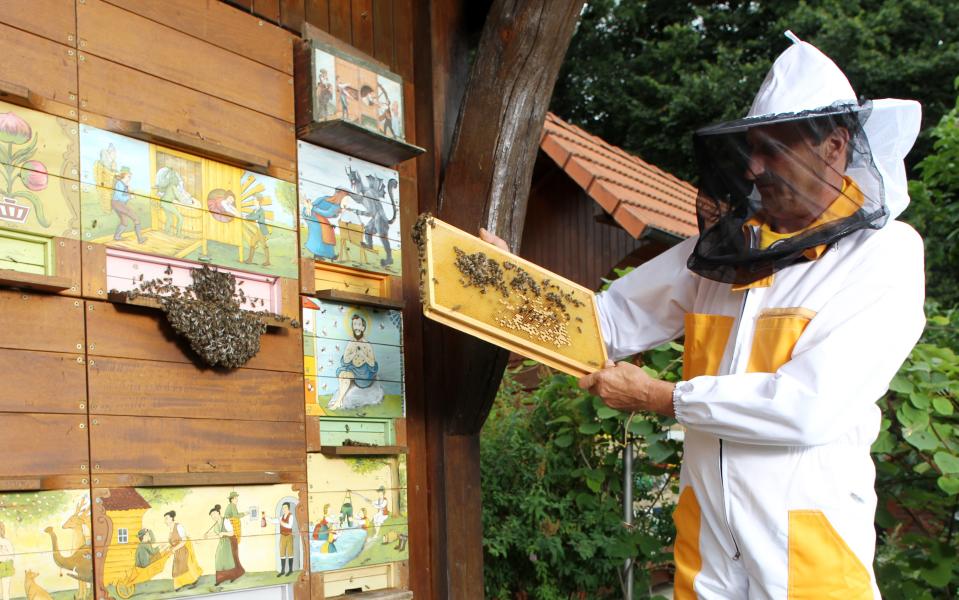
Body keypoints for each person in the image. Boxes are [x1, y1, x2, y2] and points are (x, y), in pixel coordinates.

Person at [483, 32, 924, 598]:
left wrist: (664, 398)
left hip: (808, 553)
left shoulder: (883, 254)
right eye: (752, 148)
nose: (755, 167)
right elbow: (605, 322)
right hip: (710, 545)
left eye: (776, 149)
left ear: (835, 148)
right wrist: (506, 284)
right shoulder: (724, 251)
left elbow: (809, 407)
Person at [329, 314, 382, 410]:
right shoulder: (351, 343)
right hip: (352, 369)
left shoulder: (367, 345)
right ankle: (339, 401)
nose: (357, 327)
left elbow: (372, 364)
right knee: (343, 374)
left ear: (363, 327)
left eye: (359, 325)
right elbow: (345, 360)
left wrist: (363, 354)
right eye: (354, 324)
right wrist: (353, 353)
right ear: (352, 327)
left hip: (363, 373)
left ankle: (339, 401)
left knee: (349, 375)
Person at [207, 504, 244, 588]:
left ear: (218, 513)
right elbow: (216, 533)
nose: (213, 516)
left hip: (229, 542)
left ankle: (233, 576)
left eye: (214, 514)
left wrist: (223, 533)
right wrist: (208, 535)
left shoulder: (225, 521)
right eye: (212, 516)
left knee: (229, 561)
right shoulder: (216, 524)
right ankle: (219, 579)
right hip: (222, 543)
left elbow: (232, 533)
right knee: (218, 559)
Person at [164, 511, 201, 592]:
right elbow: (172, 542)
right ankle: (179, 584)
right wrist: (168, 548)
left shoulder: (179, 526)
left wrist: (174, 548)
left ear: (171, 518)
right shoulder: (170, 530)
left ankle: (191, 581)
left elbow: (184, 541)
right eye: (165, 519)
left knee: (184, 566)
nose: (165, 521)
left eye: (166, 518)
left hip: (183, 549)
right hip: (177, 551)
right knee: (178, 567)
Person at [112, 167, 146, 243]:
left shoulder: (124, 184)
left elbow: (127, 195)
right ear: (123, 175)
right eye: (128, 176)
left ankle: (117, 236)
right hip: (118, 203)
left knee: (124, 222)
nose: (130, 178)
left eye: (130, 176)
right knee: (136, 218)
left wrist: (129, 188)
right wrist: (129, 196)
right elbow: (119, 197)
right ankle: (140, 239)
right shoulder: (119, 184)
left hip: (119, 204)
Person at [263, 502, 296, 578]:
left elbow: (289, 526)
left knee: (290, 552)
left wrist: (281, 522)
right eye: (283, 508)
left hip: (289, 536)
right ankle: (283, 571)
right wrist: (266, 517)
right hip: (282, 536)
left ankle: (290, 570)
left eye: (285, 507)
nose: (284, 509)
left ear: (288, 508)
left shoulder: (291, 516)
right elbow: (274, 521)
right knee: (282, 553)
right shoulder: (281, 517)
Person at [242, 194, 272, 266]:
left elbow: (256, 217)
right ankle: (250, 259)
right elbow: (251, 215)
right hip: (258, 230)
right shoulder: (255, 209)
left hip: (261, 230)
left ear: (258, 201)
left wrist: (246, 217)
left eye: (255, 199)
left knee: (264, 245)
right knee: (252, 243)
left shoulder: (261, 210)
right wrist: (245, 216)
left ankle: (267, 261)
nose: (254, 201)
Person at [0, 522, 13, 600]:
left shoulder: (6, 541)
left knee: (6, 589)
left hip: (5, 565)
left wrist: (9, 564)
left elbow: (11, 554)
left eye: (1, 528)